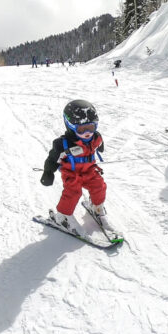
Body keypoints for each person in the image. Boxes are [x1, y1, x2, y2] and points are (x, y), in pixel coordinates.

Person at [40, 100, 108, 236]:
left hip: (89, 170)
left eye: (91, 127)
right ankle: (63, 216)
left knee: (99, 185)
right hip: (72, 173)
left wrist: (100, 146)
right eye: (82, 129)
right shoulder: (62, 144)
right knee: (73, 192)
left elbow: (99, 142)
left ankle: (97, 207)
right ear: (70, 126)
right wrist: (48, 172)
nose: (88, 133)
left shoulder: (95, 137)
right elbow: (52, 159)